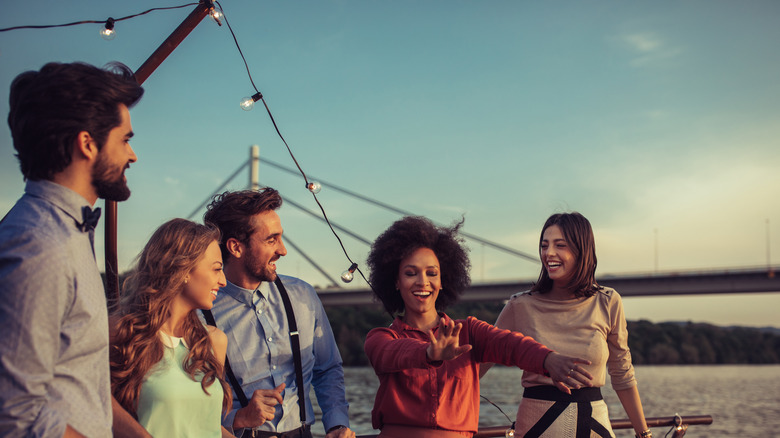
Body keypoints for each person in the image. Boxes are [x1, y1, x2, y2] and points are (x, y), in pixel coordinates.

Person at [0, 62, 144, 437]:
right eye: (125, 140)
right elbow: (14, 416)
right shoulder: (40, 246)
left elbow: (84, 386)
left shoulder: (70, 235)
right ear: (87, 143)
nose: (133, 156)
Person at [363, 216, 594, 438]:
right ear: (395, 281)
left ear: (443, 280)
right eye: (411, 273)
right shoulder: (381, 338)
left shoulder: (470, 332)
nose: (423, 282)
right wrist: (427, 353)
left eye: (432, 273)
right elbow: (390, 354)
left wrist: (547, 359)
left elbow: (511, 345)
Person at [482, 212, 651, 438]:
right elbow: (476, 368)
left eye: (560, 245)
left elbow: (622, 374)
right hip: (536, 429)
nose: (548, 253)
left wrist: (644, 434)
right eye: (544, 245)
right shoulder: (520, 305)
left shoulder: (608, 301)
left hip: (595, 428)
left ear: (582, 250)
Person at [203, 189, 354, 438]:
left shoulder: (303, 295)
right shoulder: (202, 313)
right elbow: (188, 403)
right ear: (236, 247)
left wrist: (337, 424)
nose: (283, 250)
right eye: (271, 240)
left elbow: (327, 369)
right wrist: (236, 419)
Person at [110, 218, 234, 437]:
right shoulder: (122, 332)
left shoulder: (214, 341)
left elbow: (208, 426)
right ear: (183, 269)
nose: (223, 280)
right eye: (216, 269)